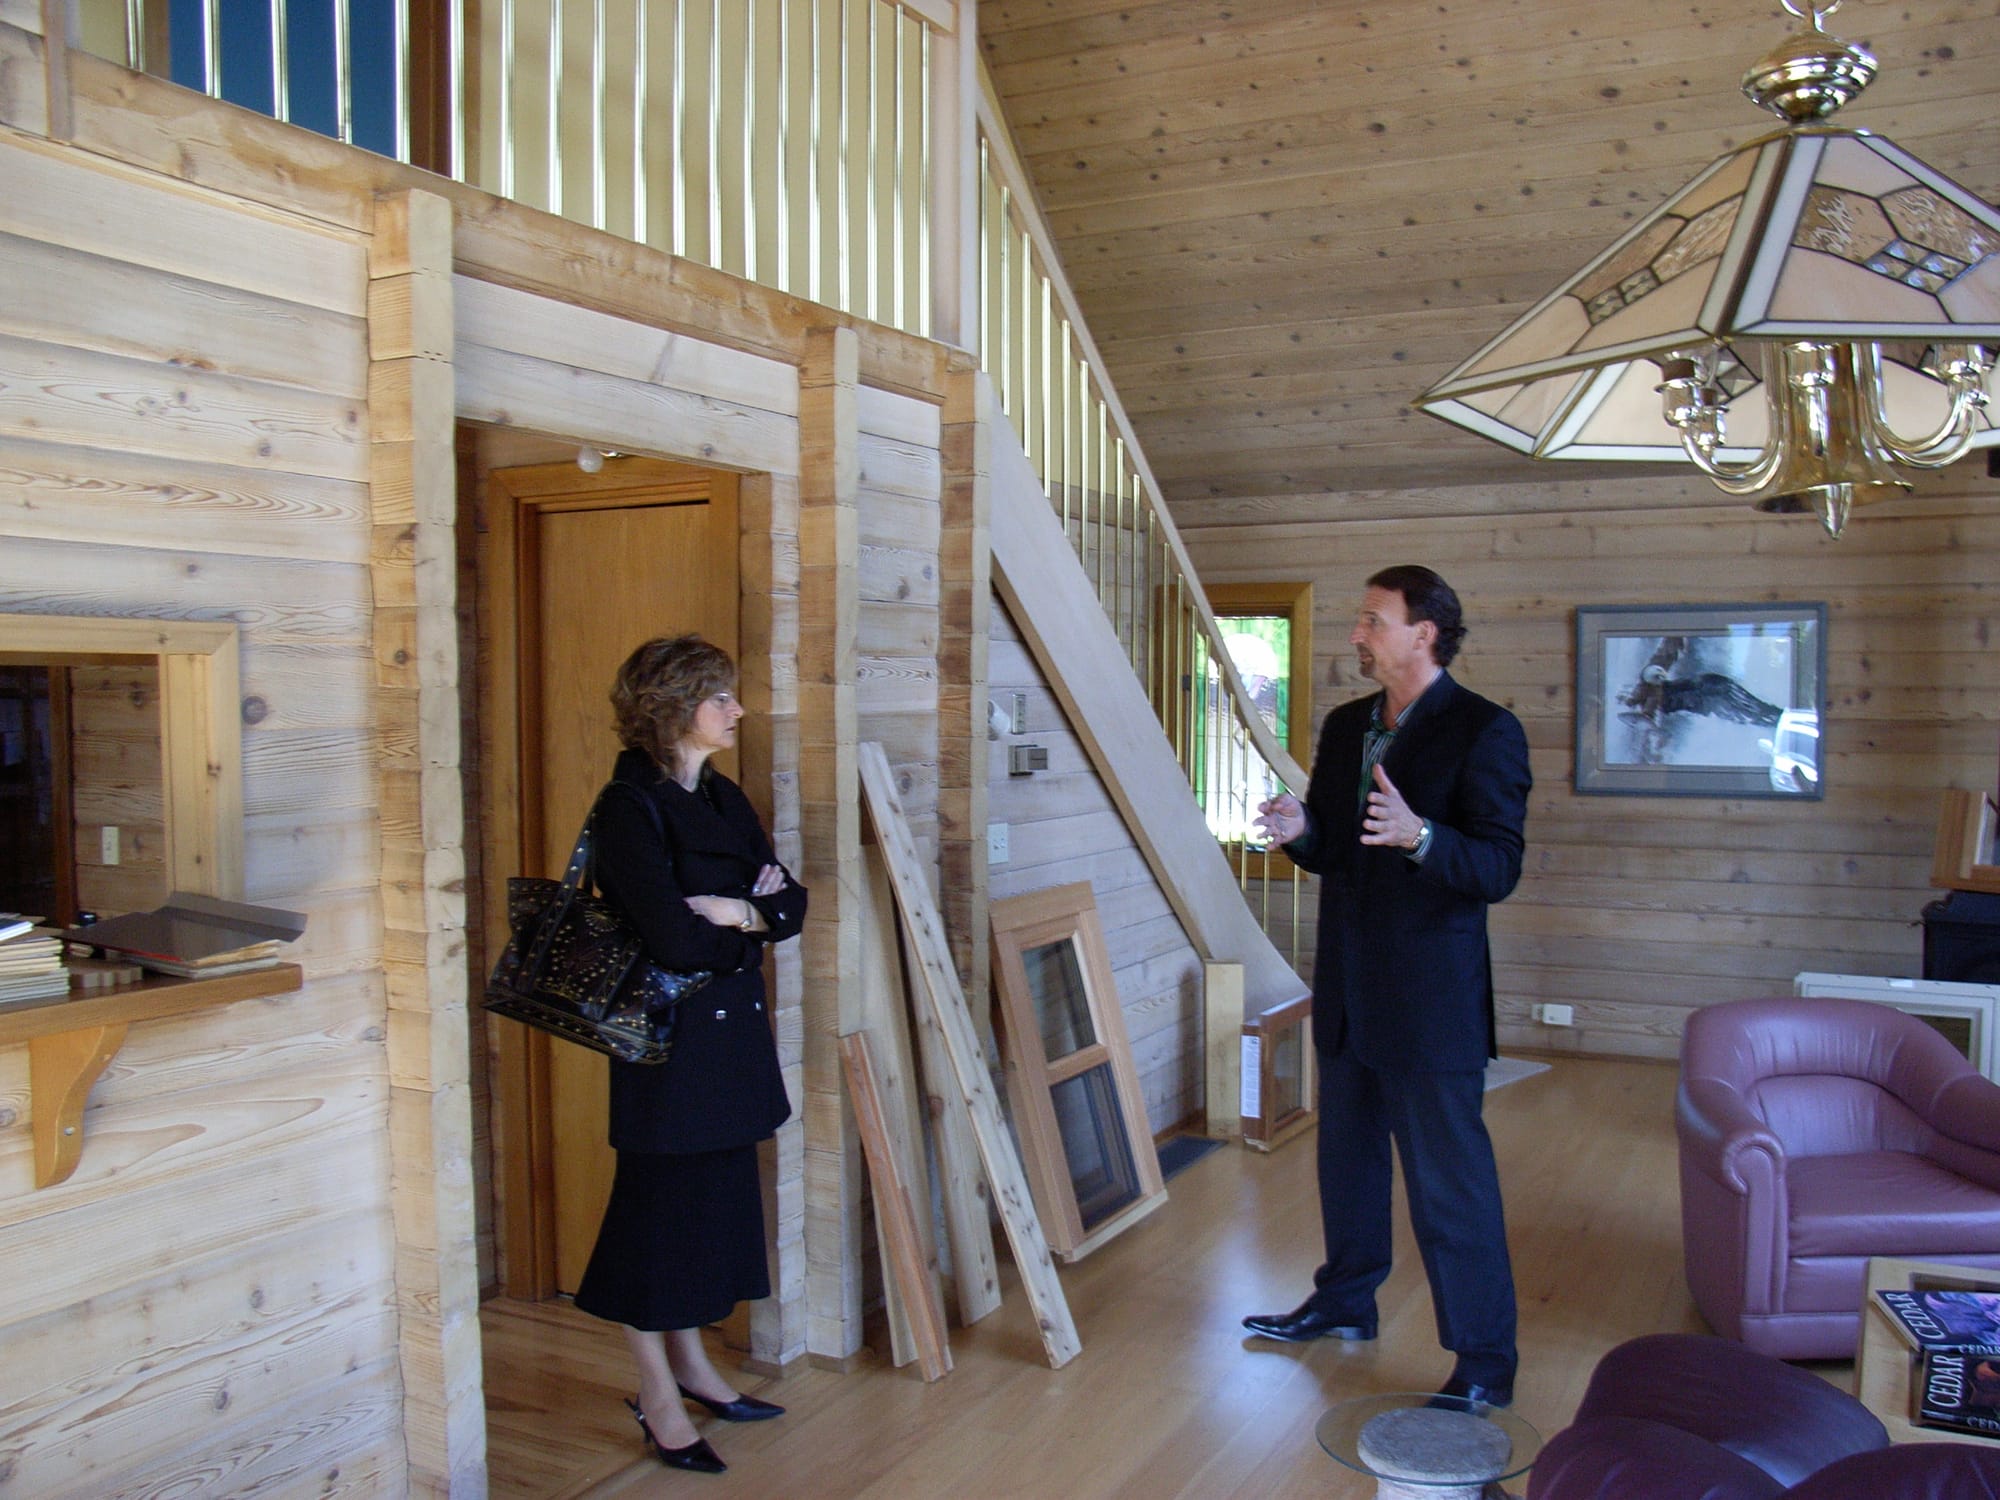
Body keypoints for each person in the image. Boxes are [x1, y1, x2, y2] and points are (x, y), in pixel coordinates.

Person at [1241, 565, 1531, 1409]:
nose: (1357, 635)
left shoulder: (1486, 731)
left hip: (1431, 1003)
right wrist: (1301, 831)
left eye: (1374, 620)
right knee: (1349, 1166)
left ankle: (1485, 1361)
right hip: (1348, 989)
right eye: (1360, 620)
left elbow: (1497, 866)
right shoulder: (1346, 726)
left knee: (1451, 1189)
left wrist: (1421, 837)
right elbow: (1335, 847)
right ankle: (1345, 1303)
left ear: (1424, 633)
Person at [571, 635, 808, 1474]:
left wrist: (736, 916)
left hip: (728, 1043)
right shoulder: (626, 807)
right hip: (664, 1054)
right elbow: (670, 937)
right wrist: (747, 924)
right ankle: (658, 1395)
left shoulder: (721, 795)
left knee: (704, 1219)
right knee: (653, 1229)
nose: (736, 710)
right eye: (721, 698)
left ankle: (698, 1369)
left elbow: (791, 904)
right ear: (675, 706)